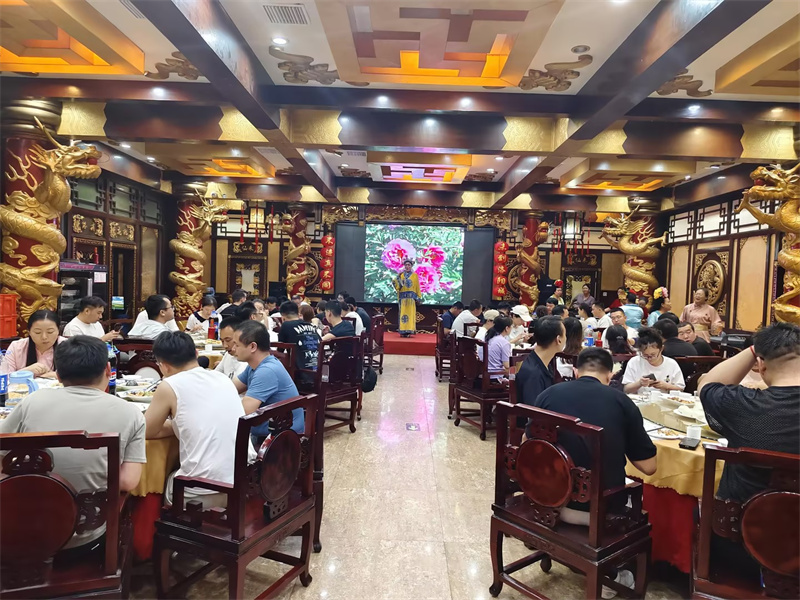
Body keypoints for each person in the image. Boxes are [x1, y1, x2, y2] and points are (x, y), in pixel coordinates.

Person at [0, 335, 145, 550]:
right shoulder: (130, 413)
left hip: (18, 531)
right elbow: (128, 481)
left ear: (58, 374)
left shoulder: (32, 401)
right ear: (108, 369)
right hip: (85, 534)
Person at [698, 323, 800, 581]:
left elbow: (707, 385)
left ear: (761, 365)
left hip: (741, 546)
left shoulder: (742, 407)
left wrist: (755, 348)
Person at [532, 347, 657, 531]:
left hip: (549, 495)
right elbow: (649, 467)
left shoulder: (548, 395)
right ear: (610, 376)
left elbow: (528, 441)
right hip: (602, 504)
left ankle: (567, 513)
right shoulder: (622, 402)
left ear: (576, 372)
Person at [145, 331, 255, 508]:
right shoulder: (222, 378)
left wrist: (172, 424)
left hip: (203, 491)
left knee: (159, 480)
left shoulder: (169, 386)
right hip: (245, 480)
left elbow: (147, 431)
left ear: (163, 366)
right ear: (196, 354)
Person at [231, 320, 304, 437]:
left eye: (237, 345)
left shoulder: (266, 371)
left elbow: (244, 413)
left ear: (253, 346)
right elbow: (231, 388)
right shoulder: (255, 366)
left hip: (283, 436)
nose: (233, 348)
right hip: (271, 429)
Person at [516, 316, 565, 408]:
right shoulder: (533, 373)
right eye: (565, 335)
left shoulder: (542, 362)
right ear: (558, 340)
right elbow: (533, 411)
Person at [1, 310, 64, 377]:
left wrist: (57, 376)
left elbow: (72, 376)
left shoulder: (68, 345)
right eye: (37, 332)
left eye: (50, 332)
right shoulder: (16, 347)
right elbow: (4, 377)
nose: (44, 337)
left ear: (58, 330)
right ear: (29, 332)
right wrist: (26, 371)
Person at [622, 327, 685, 392]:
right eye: (645, 355)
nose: (649, 358)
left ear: (661, 349)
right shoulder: (634, 362)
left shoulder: (671, 364)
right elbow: (626, 389)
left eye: (653, 355)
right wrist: (639, 383)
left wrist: (666, 386)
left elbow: (681, 388)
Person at [277, 301, 321, 381]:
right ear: (298, 314)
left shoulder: (286, 325)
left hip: (300, 374)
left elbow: (280, 350)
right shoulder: (310, 325)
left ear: (283, 318)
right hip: (317, 371)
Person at [392, 258, 422, 337]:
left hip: (411, 299)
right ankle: (403, 331)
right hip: (403, 299)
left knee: (410, 314)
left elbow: (417, 287)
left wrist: (418, 297)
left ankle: (409, 331)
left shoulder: (415, 275)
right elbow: (396, 285)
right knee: (403, 314)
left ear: (411, 266)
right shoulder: (401, 275)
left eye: (409, 265)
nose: (407, 266)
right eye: (406, 265)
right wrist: (398, 278)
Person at [485, 315, 513, 380]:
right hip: (495, 376)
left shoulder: (489, 337)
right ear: (507, 328)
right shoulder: (504, 342)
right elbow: (507, 365)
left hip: (486, 374)